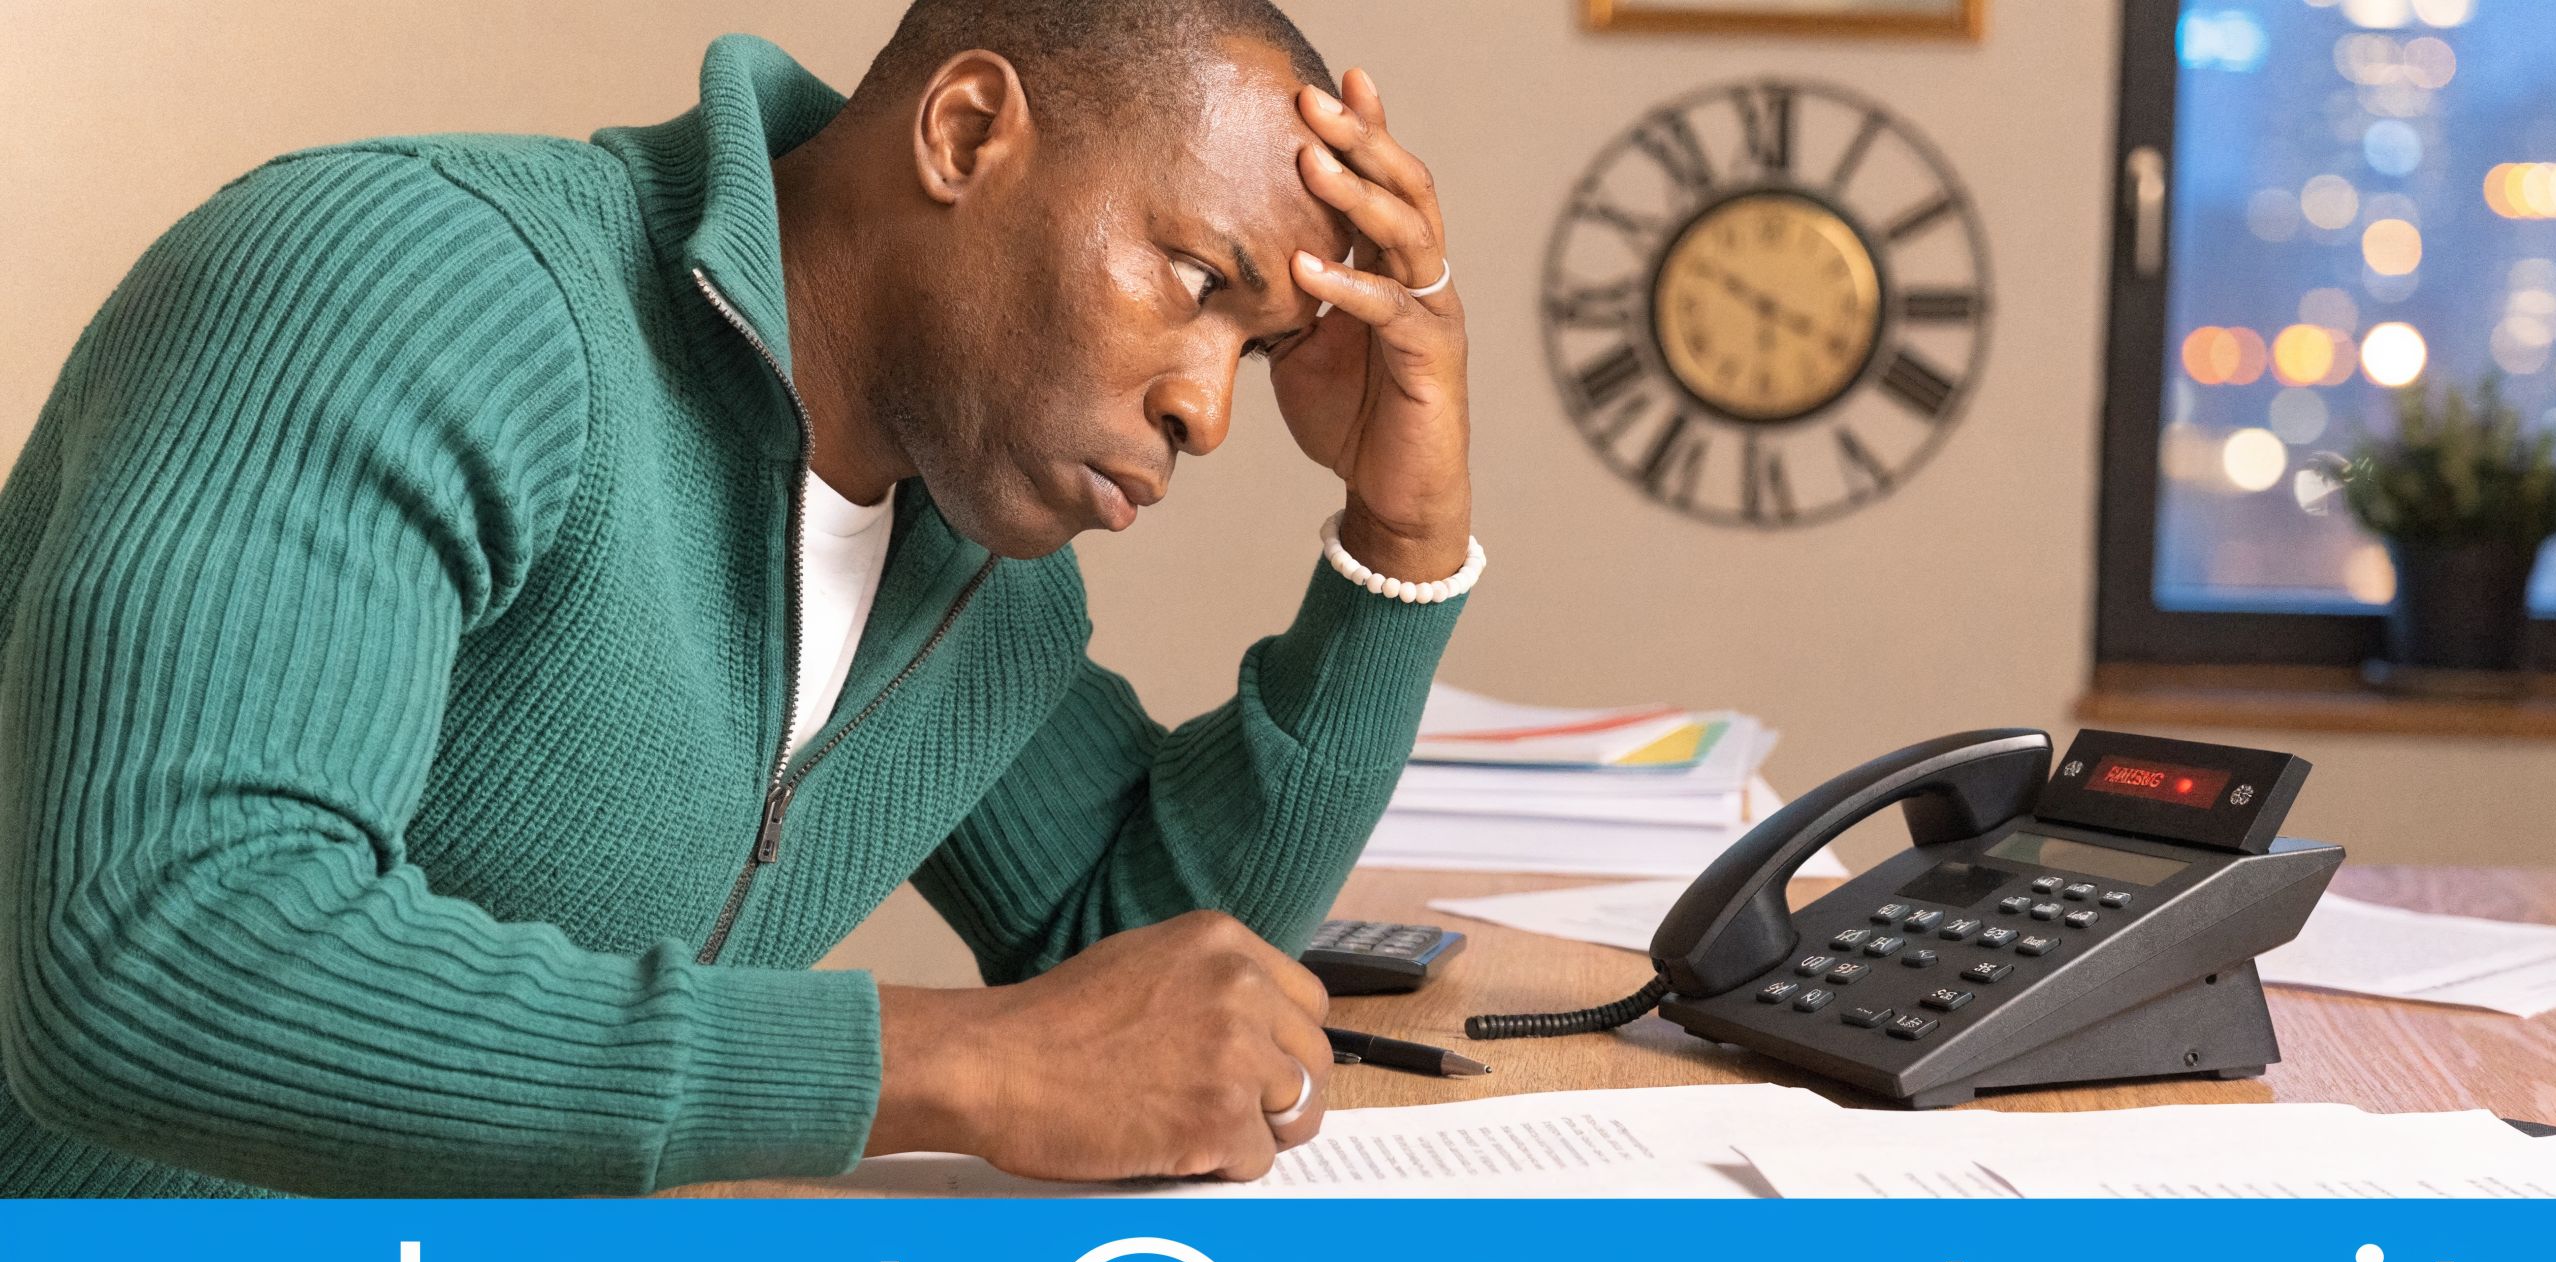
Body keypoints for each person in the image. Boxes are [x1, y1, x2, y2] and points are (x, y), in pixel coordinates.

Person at [0, 0, 1475, 1196]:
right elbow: (152, 954)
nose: (1207, 411)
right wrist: (947, 1066)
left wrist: (1401, 539)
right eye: (1196, 277)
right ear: (966, 132)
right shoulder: (406, 284)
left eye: (1260, 348)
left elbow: (1154, 978)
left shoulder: (979, 583)